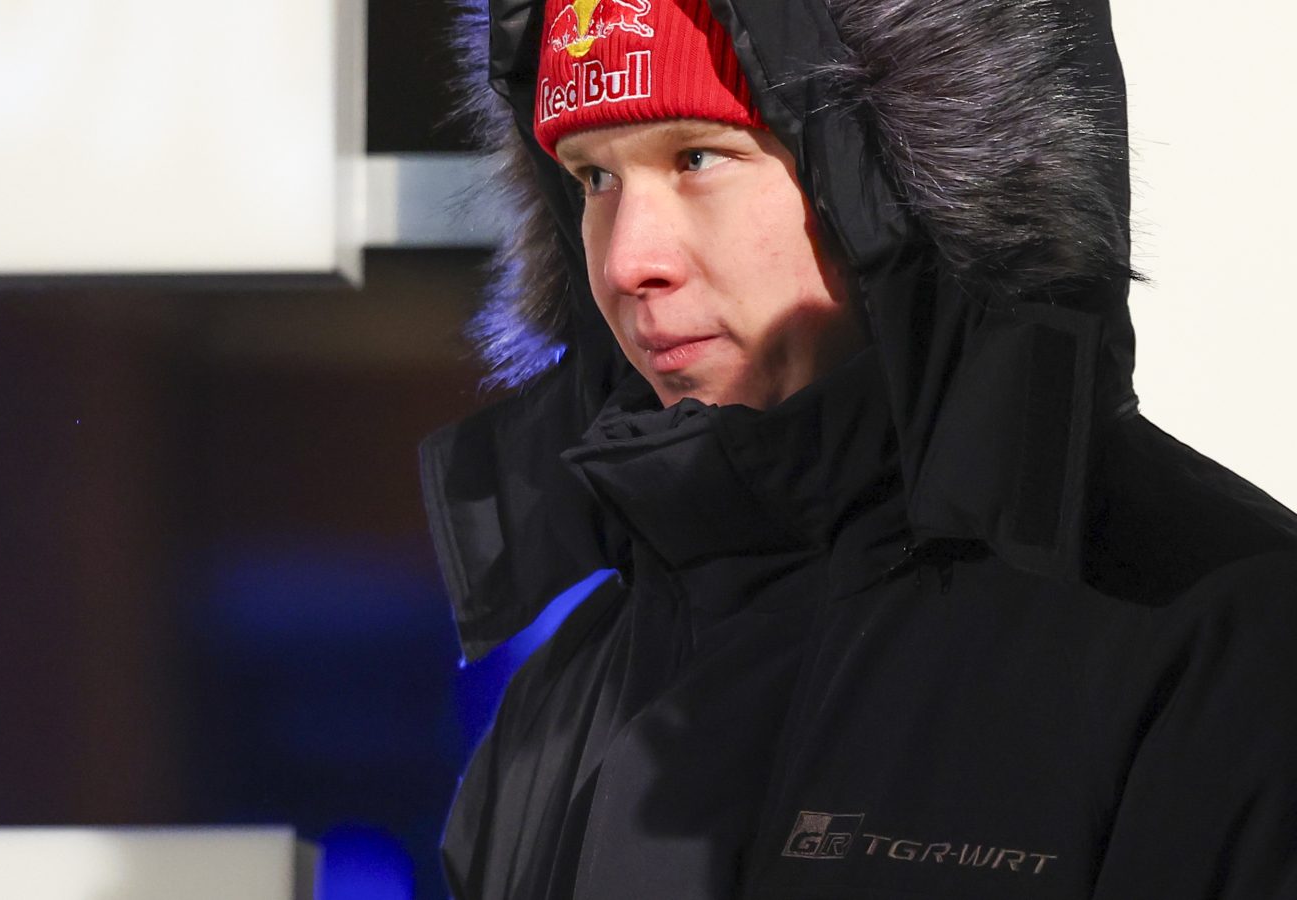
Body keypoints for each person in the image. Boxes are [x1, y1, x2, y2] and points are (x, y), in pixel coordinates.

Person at [418, 0, 1297, 896]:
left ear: (900, 180)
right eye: (594, 178)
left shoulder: (1223, 637)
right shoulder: (559, 707)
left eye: (699, 157)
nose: (625, 263)